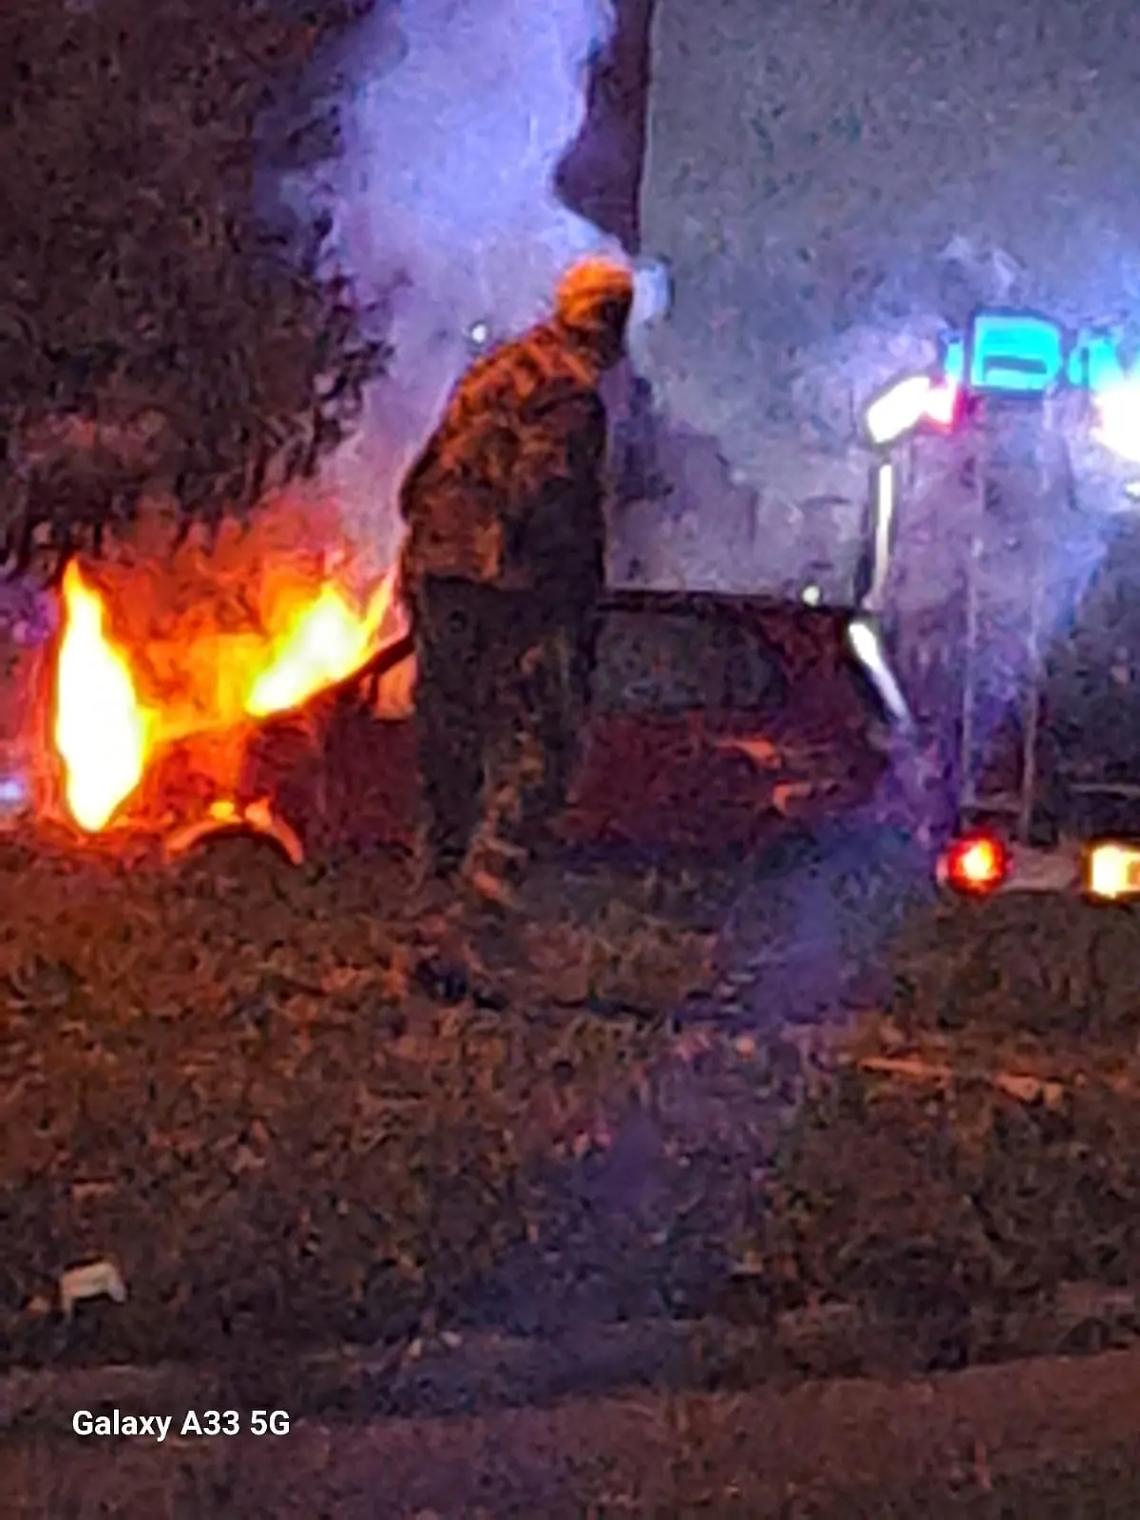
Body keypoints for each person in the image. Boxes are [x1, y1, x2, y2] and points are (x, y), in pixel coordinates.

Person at [399, 254, 634, 909]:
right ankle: (486, 893)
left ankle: (438, 884)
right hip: (502, 577)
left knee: (451, 734)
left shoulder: (495, 371)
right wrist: (567, 596)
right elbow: (548, 496)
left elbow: (418, 480)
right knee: (550, 737)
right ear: (614, 321)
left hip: (435, 569)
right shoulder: (570, 391)